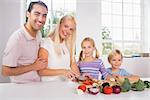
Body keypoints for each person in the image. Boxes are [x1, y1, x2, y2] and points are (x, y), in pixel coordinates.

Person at [2, 1, 48, 83]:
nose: (41, 19)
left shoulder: (38, 33)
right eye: (37, 14)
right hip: (21, 87)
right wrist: (33, 66)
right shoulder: (17, 39)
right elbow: (5, 71)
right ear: (28, 14)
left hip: (36, 85)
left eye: (44, 15)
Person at [38, 15, 80, 81]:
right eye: (66, 26)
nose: (67, 31)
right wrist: (63, 71)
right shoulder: (46, 43)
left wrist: (82, 78)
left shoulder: (68, 46)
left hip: (66, 87)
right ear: (60, 25)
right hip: (50, 87)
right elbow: (41, 71)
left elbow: (74, 68)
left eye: (71, 29)